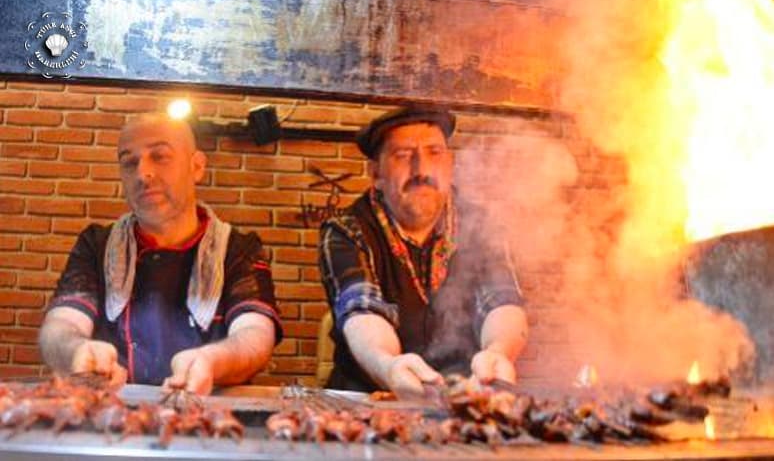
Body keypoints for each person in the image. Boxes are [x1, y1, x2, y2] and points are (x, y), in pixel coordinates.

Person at [39, 114, 281, 395]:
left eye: (160, 156)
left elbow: (255, 334)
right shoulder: (97, 245)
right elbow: (61, 324)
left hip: (208, 419)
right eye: (130, 162)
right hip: (112, 419)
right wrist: (76, 350)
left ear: (197, 167)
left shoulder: (237, 249)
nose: (143, 174)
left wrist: (212, 360)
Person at [318, 106, 528, 398]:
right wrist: (389, 365)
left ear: (450, 163)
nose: (422, 170)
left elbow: (501, 300)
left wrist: (498, 352)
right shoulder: (346, 230)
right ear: (377, 173)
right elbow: (362, 309)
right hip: (369, 397)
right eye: (403, 156)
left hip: (464, 395)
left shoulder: (482, 224)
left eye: (434, 153)